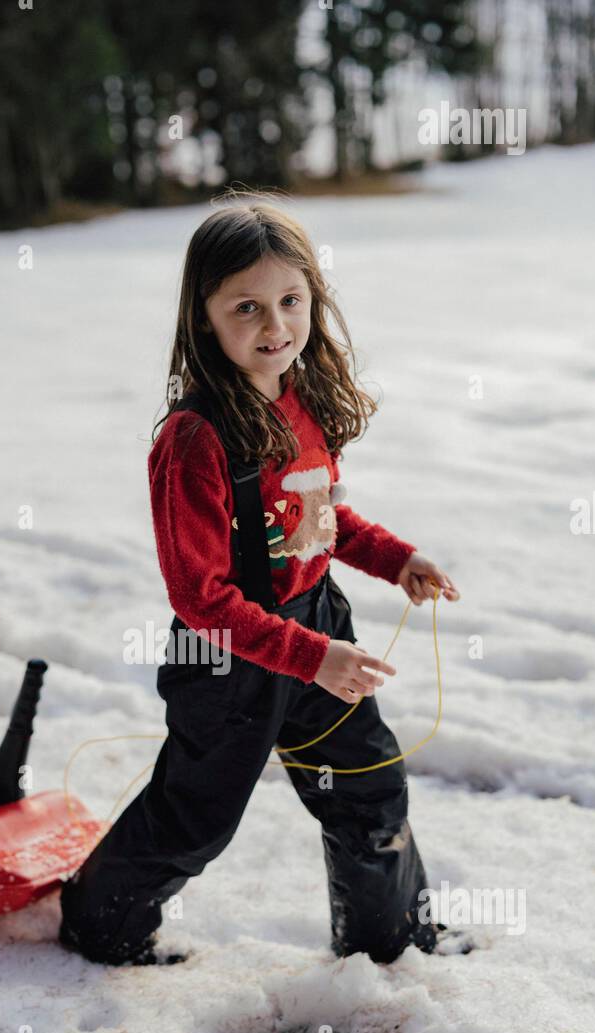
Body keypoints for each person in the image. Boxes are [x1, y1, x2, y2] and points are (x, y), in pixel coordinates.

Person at [59, 198, 464, 967]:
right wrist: (311, 657)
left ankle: (388, 949)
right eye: (246, 306)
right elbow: (201, 599)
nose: (274, 324)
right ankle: (97, 924)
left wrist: (396, 559)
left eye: (290, 300)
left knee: (370, 789)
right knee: (194, 820)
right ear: (203, 317)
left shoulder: (300, 401)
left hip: (317, 633)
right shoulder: (194, 441)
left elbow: (317, 522)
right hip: (231, 663)